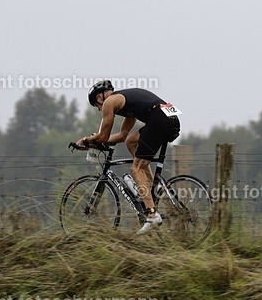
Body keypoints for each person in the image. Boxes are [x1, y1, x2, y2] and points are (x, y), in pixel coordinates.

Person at [76, 80, 182, 233]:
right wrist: (96, 139)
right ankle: (151, 186)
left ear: (100, 96)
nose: (99, 109)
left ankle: (152, 215)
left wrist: (86, 140)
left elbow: (104, 136)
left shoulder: (109, 102)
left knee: (136, 168)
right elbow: (121, 136)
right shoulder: (126, 105)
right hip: (169, 118)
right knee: (130, 142)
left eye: (96, 104)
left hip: (159, 119)